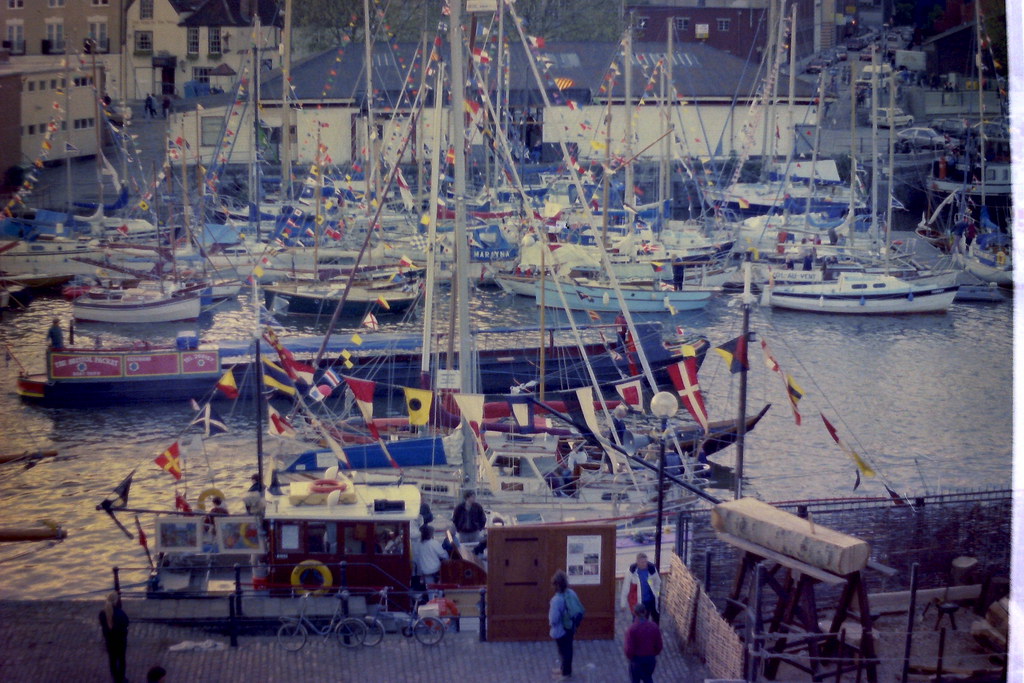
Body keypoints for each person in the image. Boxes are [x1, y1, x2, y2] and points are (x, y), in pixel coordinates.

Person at [549, 569, 579, 681]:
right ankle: (564, 669)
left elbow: (554, 618)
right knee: (568, 649)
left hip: (560, 629)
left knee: (563, 651)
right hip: (571, 626)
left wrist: (551, 623)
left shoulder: (556, 600)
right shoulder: (571, 593)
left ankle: (566, 672)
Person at [624, 603, 663, 683]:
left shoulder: (632, 629)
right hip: (650, 659)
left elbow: (629, 650)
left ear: (634, 613)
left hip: (637, 660)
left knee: (635, 680)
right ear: (645, 612)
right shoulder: (654, 626)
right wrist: (652, 654)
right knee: (648, 678)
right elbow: (659, 645)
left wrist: (631, 658)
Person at [620, 552, 662, 624]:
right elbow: (625, 588)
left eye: (645, 561)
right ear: (637, 562)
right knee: (637, 622)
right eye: (642, 562)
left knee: (652, 619)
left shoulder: (652, 569)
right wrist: (623, 604)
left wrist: (657, 594)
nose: (644, 564)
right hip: (637, 602)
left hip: (650, 601)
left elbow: (658, 583)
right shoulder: (631, 572)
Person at [99, 592, 129, 683]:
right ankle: (121, 678)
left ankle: (115, 678)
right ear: (116, 601)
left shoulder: (102, 613)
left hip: (109, 641)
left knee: (112, 660)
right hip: (120, 641)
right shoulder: (120, 613)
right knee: (121, 659)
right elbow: (126, 623)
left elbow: (103, 625)